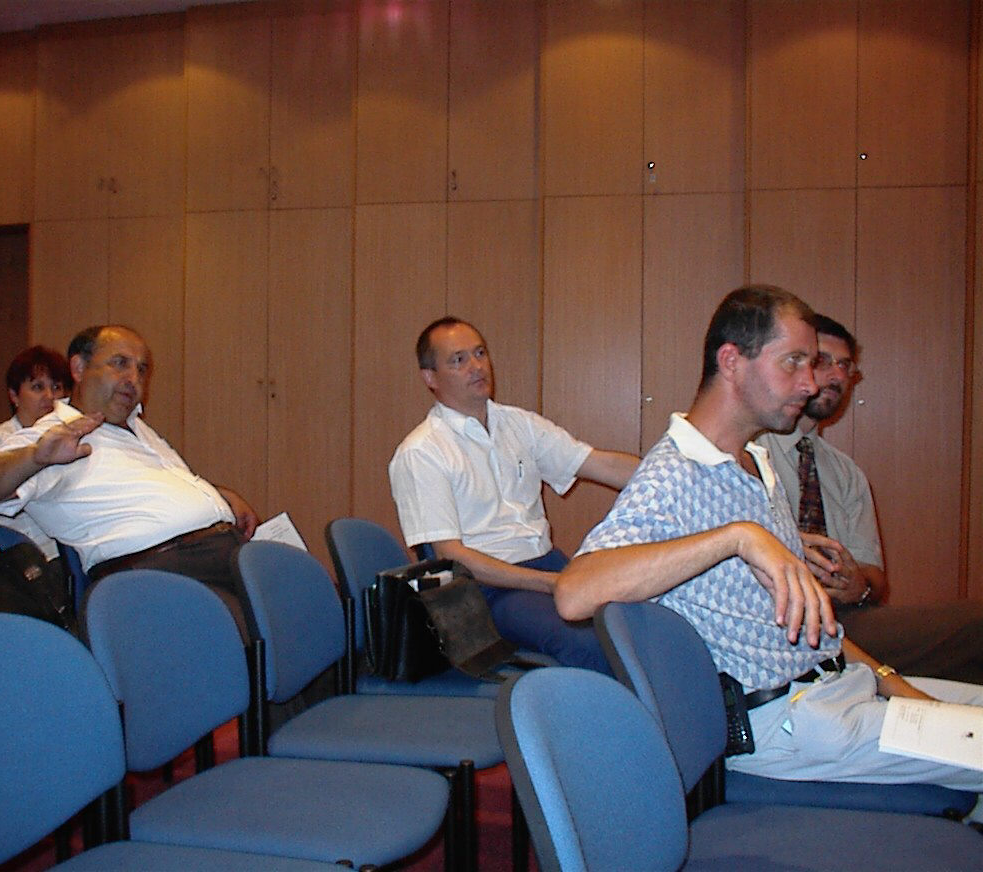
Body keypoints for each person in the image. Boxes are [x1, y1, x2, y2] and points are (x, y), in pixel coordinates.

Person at [556, 285, 983, 792]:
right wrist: (738, 537)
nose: (810, 383)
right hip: (793, 722)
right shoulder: (674, 474)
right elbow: (574, 593)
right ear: (732, 361)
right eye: (793, 362)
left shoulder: (755, 462)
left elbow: (819, 633)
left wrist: (895, 684)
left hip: (838, 688)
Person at [0, 324, 259, 630]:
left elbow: (161, 485)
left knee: (288, 594)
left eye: (141, 369)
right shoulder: (54, 434)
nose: (134, 379)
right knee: (266, 627)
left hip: (222, 554)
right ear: (79, 368)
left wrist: (217, 495)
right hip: (157, 573)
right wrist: (35, 456)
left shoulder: (137, 427)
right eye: (120, 364)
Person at [388, 316, 640, 671]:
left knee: (637, 622)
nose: (476, 366)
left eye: (479, 353)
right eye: (458, 360)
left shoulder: (519, 424)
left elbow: (601, 464)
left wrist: (671, 478)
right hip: (486, 590)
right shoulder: (422, 452)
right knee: (590, 645)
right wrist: (548, 583)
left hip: (547, 564)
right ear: (430, 377)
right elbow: (451, 556)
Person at [759, 314, 983, 683]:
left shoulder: (846, 474)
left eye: (844, 366)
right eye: (823, 361)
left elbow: (875, 578)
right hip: (776, 623)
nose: (835, 375)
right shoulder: (752, 452)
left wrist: (858, 584)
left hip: (845, 619)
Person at [0, 345, 72, 558]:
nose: (49, 396)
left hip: (62, 549)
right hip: (18, 552)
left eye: (56, 387)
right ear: (14, 396)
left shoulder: (69, 440)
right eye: (37, 387)